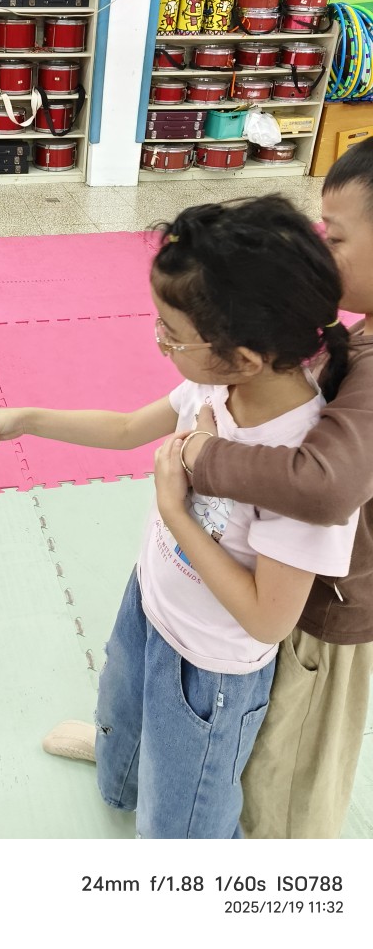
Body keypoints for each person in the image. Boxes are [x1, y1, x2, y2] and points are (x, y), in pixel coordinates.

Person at [0, 195, 358, 839]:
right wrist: (25, 419)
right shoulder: (222, 383)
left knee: (181, 825)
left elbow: (268, 619)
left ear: (244, 355)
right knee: (123, 710)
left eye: (170, 332)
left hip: (211, 671)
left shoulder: (296, 463)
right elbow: (128, 427)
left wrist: (174, 510)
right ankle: (123, 768)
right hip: (152, 600)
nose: (158, 340)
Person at [174, 140, 373, 839]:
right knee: (261, 728)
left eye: (335, 237)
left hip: (331, 609)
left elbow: (326, 486)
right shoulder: (357, 332)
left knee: (292, 771)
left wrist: (204, 457)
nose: (322, 249)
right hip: (294, 580)